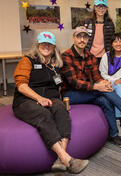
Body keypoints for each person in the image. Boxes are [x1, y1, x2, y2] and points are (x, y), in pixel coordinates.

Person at [61, 26, 121, 148]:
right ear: (74, 38)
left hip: (87, 92)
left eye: (85, 37)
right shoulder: (66, 56)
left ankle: (114, 135)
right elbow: (74, 82)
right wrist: (97, 86)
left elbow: (97, 76)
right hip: (70, 94)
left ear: (88, 39)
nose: (82, 40)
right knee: (101, 91)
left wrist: (105, 84)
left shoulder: (90, 56)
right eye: (79, 36)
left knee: (105, 99)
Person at [12, 32, 88, 174]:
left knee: (62, 111)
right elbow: (21, 86)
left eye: (49, 44)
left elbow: (62, 82)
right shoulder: (28, 60)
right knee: (43, 115)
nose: (46, 47)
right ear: (38, 45)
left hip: (50, 99)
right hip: (26, 100)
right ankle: (68, 159)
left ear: (53, 47)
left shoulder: (55, 63)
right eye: (43, 44)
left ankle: (60, 159)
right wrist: (39, 98)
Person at [84, 0, 115, 64]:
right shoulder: (88, 22)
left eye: (103, 7)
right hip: (89, 56)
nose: (101, 9)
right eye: (98, 6)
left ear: (106, 9)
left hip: (105, 57)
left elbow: (112, 41)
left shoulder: (110, 23)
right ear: (95, 8)